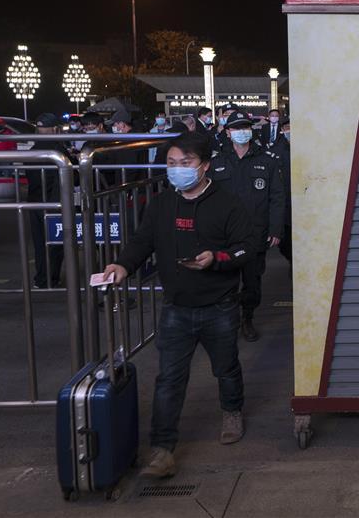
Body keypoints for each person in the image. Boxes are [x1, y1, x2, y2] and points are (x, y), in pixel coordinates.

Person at [101, 132, 256, 478]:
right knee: (169, 379)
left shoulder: (228, 204)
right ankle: (162, 449)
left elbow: (247, 247)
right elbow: (142, 241)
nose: (178, 169)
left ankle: (232, 411)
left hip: (219, 306)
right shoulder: (161, 205)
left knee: (226, 368)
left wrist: (216, 258)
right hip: (176, 308)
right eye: (172, 163)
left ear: (205, 166)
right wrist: (123, 265)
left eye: (186, 163)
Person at [210, 112, 285, 341]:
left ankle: (247, 318)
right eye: (236, 128)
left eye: (245, 127)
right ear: (228, 132)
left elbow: (277, 197)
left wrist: (275, 229)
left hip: (255, 233)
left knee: (252, 281)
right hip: (225, 236)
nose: (242, 132)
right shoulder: (217, 162)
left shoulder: (267, 160)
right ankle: (227, 320)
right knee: (225, 280)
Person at [27, 113, 69, 289]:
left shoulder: (32, 151)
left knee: (39, 243)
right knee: (55, 242)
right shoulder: (58, 151)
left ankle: (42, 278)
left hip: (34, 201)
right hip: (55, 202)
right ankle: (51, 277)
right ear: (55, 129)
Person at [276, 118, 293, 270]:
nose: (290, 130)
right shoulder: (277, 150)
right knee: (285, 243)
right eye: (287, 127)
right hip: (285, 202)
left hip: (303, 201)